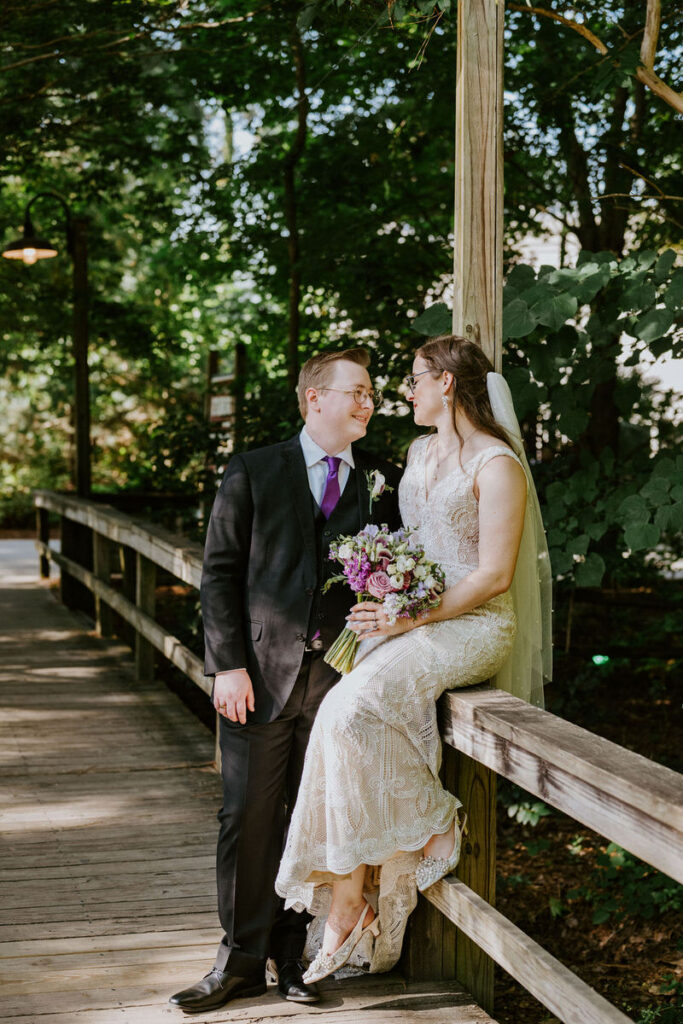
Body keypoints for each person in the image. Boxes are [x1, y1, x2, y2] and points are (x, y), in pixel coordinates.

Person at [275, 334, 552, 982]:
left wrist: (409, 614)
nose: (407, 391)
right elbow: (414, 542)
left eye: (415, 379)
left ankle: (433, 823)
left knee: (348, 717)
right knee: (334, 720)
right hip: (413, 613)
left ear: (447, 383)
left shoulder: (496, 465)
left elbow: (492, 578)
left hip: (471, 625)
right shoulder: (419, 451)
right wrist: (380, 587)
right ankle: (349, 903)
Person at [169, 346, 402, 1013]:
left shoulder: (383, 480)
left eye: (371, 393)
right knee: (245, 817)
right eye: (354, 391)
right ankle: (238, 959)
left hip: (341, 683)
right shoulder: (252, 470)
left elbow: (396, 574)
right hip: (257, 677)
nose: (367, 403)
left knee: (310, 819)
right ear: (313, 399)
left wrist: (386, 609)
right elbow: (217, 573)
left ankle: (289, 954)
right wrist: (227, 664)